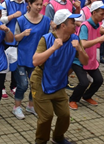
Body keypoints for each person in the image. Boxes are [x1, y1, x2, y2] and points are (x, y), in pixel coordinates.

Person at [30, 9, 88, 144]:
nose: (76, 24)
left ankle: (58, 138)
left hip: (59, 82)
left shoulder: (75, 39)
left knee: (65, 115)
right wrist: (53, 48)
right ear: (63, 25)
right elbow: (35, 61)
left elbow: (85, 62)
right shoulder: (47, 39)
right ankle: (41, 141)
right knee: (46, 116)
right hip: (41, 82)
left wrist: (79, 50)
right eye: (73, 22)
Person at [69, 1, 104, 110]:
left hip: (90, 59)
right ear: (93, 13)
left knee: (99, 80)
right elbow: (83, 43)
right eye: (101, 14)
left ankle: (87, 96)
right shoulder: (85, 26)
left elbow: (94, 43)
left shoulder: (97, 25)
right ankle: (73, 99)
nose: (103, 16)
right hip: (79, 60)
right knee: (84, 82)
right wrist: (99, 39)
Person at [11, 0, 51, 119]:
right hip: (22, 57)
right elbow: (15, 37)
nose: (39, 7)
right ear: (30, 5)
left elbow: (47, 38)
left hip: (37, 59)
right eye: (36, 4)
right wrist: (23, 34)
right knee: (23, 84)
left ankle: (31, 105)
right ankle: (17, 107)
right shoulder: (22, 20)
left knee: (36, 84)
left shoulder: (45, 20)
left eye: (40, 4)